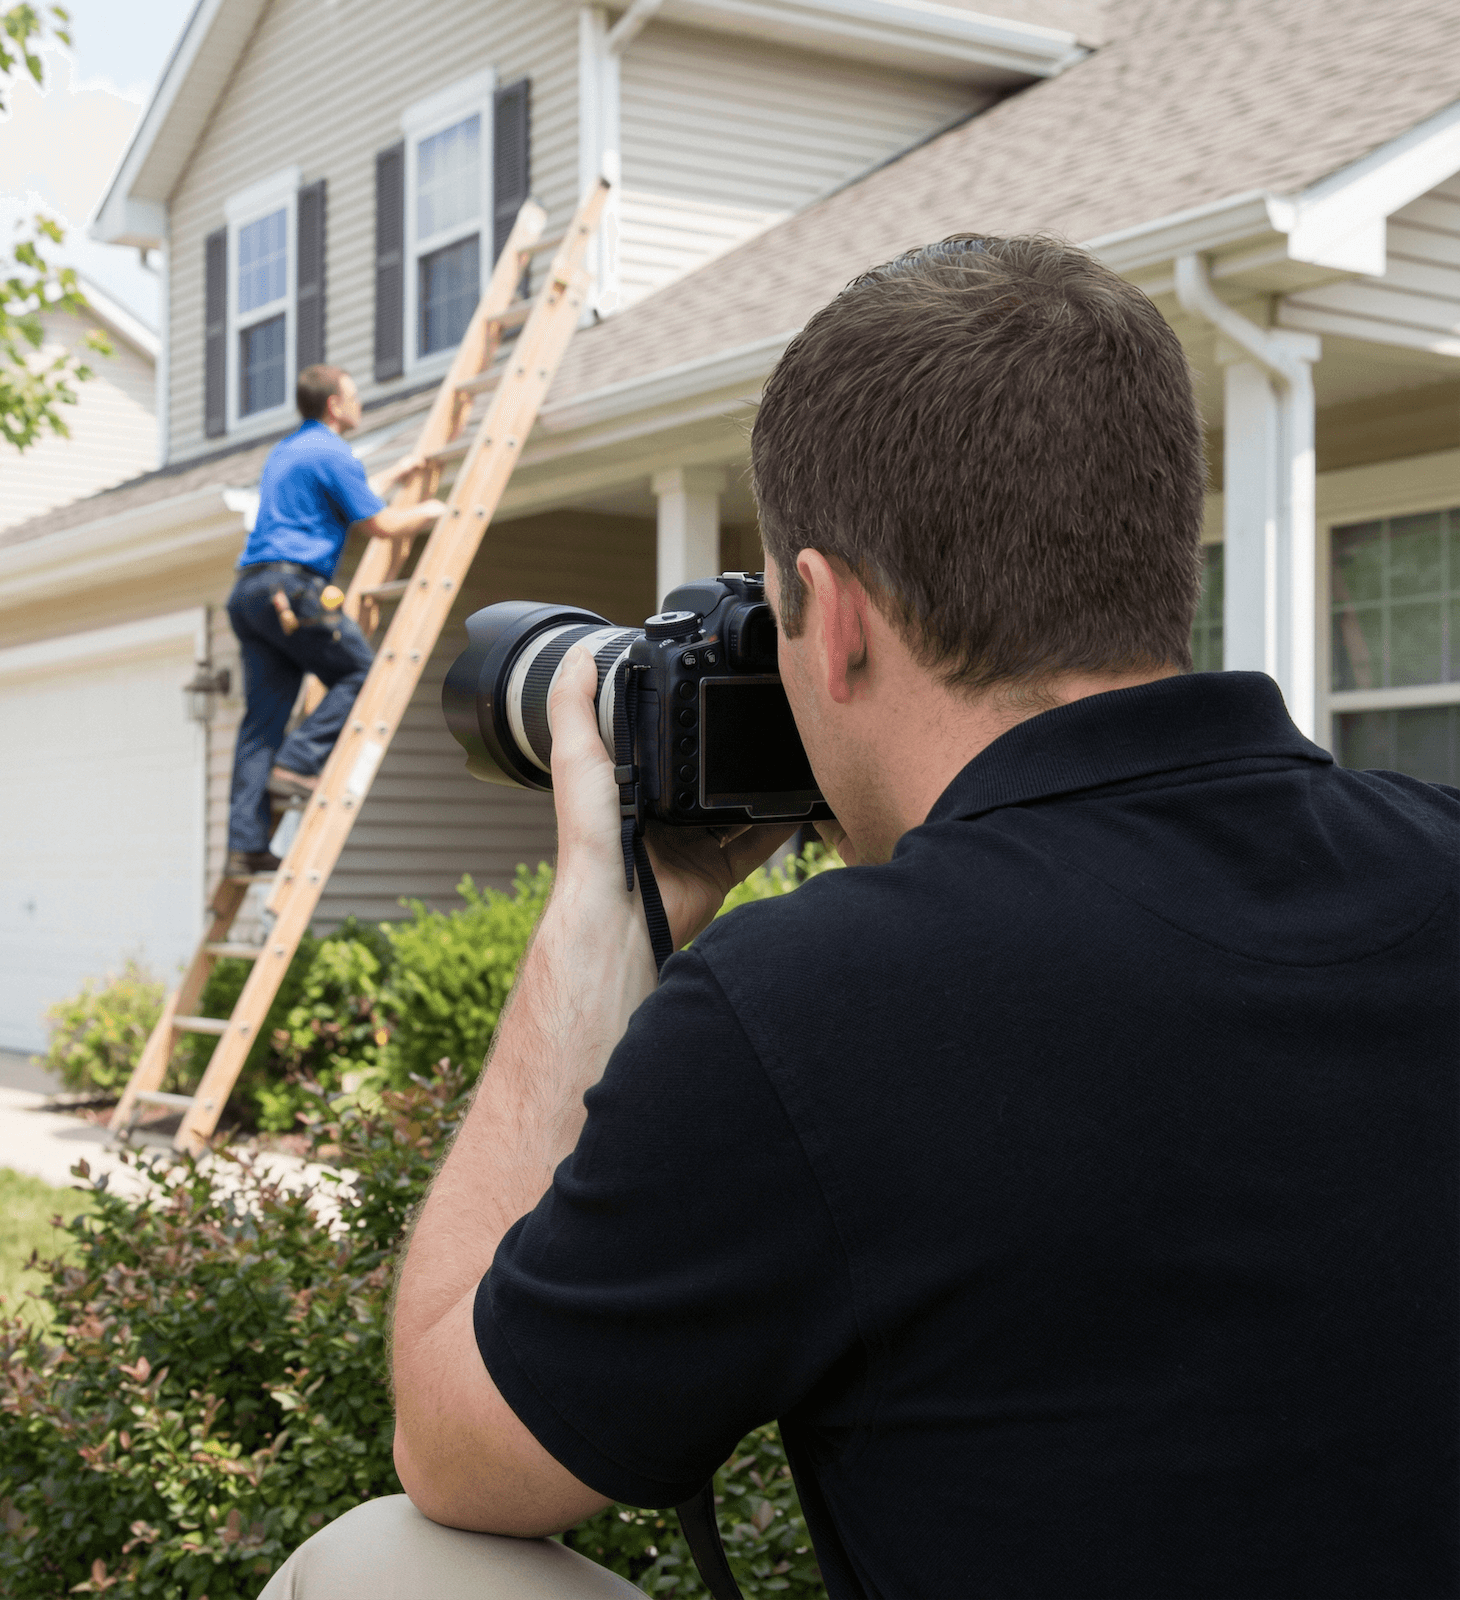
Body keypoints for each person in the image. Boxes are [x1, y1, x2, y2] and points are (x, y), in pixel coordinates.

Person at [262, 239, 1460, 1598]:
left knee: (378, 1563)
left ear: (829, 619)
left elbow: (456, 1439)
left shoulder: (815, 1005)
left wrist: (602, 925)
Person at [224, 364, 445, 876]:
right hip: (293, 590)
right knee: (361, 672)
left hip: (252, 593)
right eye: (353, 395)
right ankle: (298, 764)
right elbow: (382, 524)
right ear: (334, 405)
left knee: (261, 722)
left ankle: (247, 844)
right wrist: (436, 512)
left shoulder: (291, 450)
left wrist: (395, 475)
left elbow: (349, 497)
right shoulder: (332, 452)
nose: (358, 403)